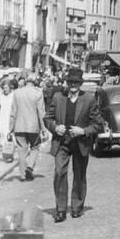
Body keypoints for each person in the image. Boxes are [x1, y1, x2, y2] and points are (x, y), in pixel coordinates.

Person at [45, 68, 105, 223]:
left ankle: (77, 207)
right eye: (70, 82)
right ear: (66, 83)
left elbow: (99, 125)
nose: (72, 85)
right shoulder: (58, 97)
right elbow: (48, 118)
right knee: (59, 173)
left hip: (80, 143)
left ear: (80, 84)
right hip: (62, 142)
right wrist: (54, 127)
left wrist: (83, 131)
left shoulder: (89, 99)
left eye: (76, 82)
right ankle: (61, 209)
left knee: (79, 175)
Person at [9, 73, 47, 182]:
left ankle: (22, 175)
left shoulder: (17, 93)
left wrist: (10, 128)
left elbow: (13, 112)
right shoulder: (38, 93)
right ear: (35, 81)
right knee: (35, 147)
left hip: (19, 126)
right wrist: (44, 129)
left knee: (21, 150)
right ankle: (29, 167)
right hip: (33, 127)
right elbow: (41, 112)